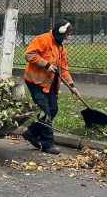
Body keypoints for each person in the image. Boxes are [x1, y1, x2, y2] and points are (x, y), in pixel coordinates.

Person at [20, 19, 80, 155]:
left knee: (53, 109)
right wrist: (46, 64)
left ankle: (31, 132)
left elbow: (63, 69)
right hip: (35, 83)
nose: (68, 37)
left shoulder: (61, 49)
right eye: (67, 34)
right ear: (61, 32)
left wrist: (72, 86)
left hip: (50, 84)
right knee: (45, 112)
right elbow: (29, 54)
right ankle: (48, 144)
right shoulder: (42, 39)